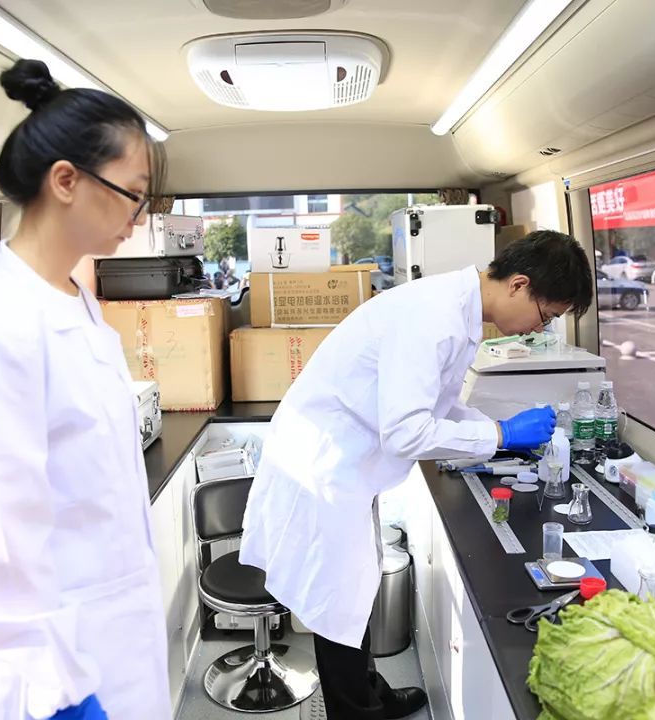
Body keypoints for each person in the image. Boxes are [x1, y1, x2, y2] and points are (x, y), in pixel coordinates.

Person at [239, 230, 593, 719]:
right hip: (322, 469)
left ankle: (370, 695)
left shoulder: (459, 311)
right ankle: (356, 711)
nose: (539, 328)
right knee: (338, 604)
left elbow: (440, 409)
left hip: (344, 466)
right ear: (519, 284)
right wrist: (500, 434)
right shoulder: (436, 317)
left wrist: (500, 433)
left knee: (352, 596)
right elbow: (407, 433)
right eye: (546, 315)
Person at [0, 59, 170, 720]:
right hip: (59, 672)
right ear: (66, 180)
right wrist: (55, 698)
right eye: (133, 193)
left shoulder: (72, 303)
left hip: (117, 634)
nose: (138, 216)